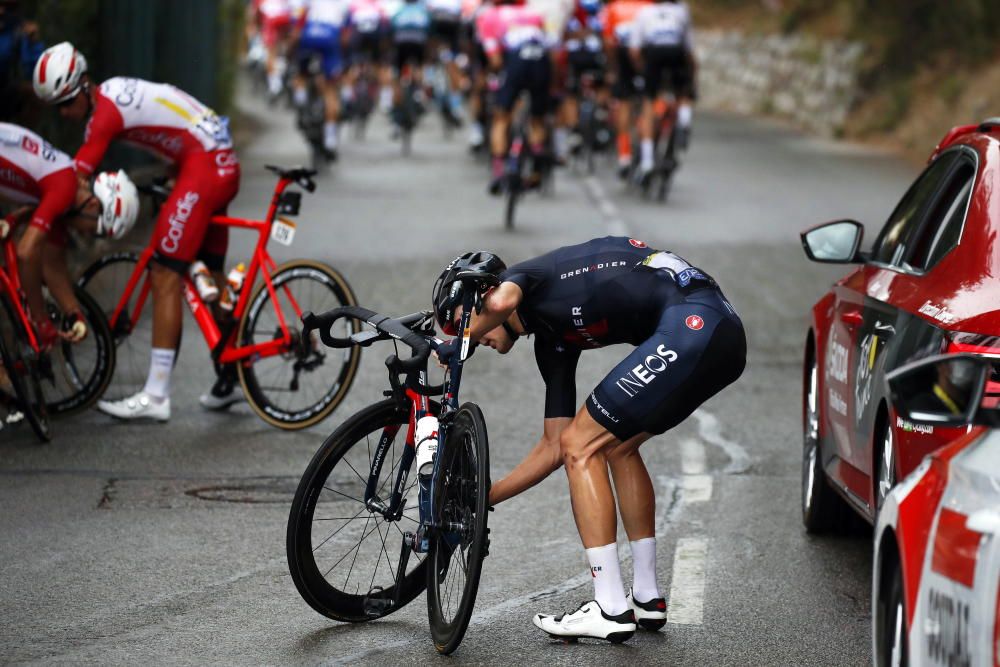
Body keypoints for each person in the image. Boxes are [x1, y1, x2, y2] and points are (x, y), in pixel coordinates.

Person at [431, 236, 747, 642]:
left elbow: (502, 303)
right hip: (716, 336)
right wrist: (482, 497)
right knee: (612, 447)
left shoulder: (523, 279)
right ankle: (646, 598)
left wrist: (462, 341)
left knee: (585, 444)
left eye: (459, 320)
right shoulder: (552, 341)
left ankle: (611, 608)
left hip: (696, 325)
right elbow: (554, 447)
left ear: (484, 294)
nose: (464, 332)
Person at [33, 42, 242, 421]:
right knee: (209, 276)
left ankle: (157, 395)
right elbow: (173, 123)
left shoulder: (104, 115)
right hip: (216, 161)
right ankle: (235, 374)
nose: (64, 114)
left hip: (204, 166)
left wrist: (35, 207)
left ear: (83, 86)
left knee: (165, 272)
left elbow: (71, 182)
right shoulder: (113, 91)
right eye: (56, 108)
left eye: (66, 103)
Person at [0, 122, 139, 349]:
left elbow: (53, 264)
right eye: (95, 229)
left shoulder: (67, 189)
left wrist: (74, 313)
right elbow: (26, 253)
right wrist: (40, 319)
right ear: (93, 204)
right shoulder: (64, 188)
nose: (84, 232)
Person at [474, 0, 550, 195]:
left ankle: (498, 173)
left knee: (501, 117)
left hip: (516, 62)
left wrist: (497, 80)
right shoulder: (533, 13)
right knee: (536, 119)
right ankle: (537, 159)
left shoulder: (489, 16)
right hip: (541, 59)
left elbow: (495, 59)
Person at [629, 0, 697, 175]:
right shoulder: (681, 10)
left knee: (649, 104)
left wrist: (642, 71)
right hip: (676, 51)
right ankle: (684, 121)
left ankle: (647, 161)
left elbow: (635, 50)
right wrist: (691, 75)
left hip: (654, 53)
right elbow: (689, 47)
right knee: (683, 91)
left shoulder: (645, 12)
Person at [291, 0, 352, 159]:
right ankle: (331, 138)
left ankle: (301, 102)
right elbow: (346, 33)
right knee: (330, 91)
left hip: (309, 34)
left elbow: (298, 20)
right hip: (330, 35)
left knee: (301, 74)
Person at [600, 0, 649, 177]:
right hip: (644, 54)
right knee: (647, 104)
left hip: (622, 55)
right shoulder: (649, 6)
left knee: (624, 105)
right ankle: (647, 152)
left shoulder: (614, 7)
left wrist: (612, 69)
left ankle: (624, 156)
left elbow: (607, 41)